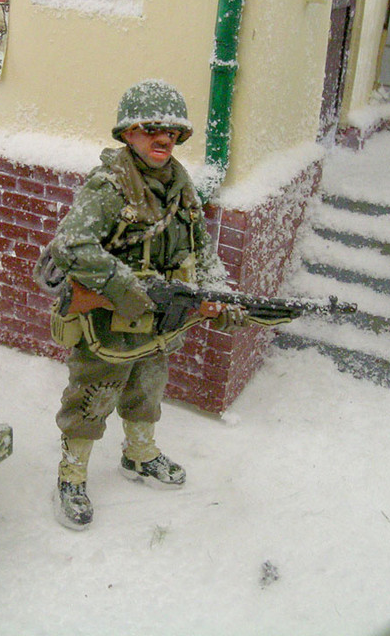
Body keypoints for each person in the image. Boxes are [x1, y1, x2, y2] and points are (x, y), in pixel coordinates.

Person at [34, 80, 243, 530]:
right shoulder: (110, 187)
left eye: (173, 132)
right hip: (110, 323)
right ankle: (71, 475)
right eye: (151, 130)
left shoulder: (182, 188)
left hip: (158, 324)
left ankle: (139, 453)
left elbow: (201, 248)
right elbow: (72, 244)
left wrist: (217, 294)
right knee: (92, 396)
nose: (163, 139)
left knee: (147, 388)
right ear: (128, 134)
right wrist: (128, 291)